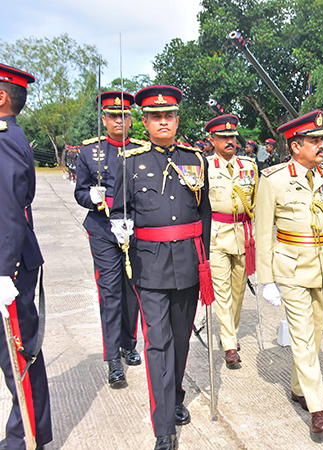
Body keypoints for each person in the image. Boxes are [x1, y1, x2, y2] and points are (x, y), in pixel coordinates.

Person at [111, 85, 211, 450]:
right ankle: (163, 427)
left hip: (187, 262)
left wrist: (205, 259)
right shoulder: (128, 161)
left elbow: (204, 215)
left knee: (181, 341)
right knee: (158, 344)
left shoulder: (194, 159)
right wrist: (119, 227)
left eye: (168, 115)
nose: (163, 121)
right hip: (149, 266)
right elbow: (120, 210)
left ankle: (176, 395)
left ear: (177, 119)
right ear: (146, 121)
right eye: (155, 116)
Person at [256, 110, 323, 435]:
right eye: (314, 140)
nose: (321, 145)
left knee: (315, 336)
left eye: (322, 140)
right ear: (295, 146)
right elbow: (263, 231)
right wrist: (266, 279)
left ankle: (297, 387)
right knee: (304, 338)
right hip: (290, 269)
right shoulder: (274, 179)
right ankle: (317, 407)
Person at [0, 63, 53, 450]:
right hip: (9, 260)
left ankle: (25, 440)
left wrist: (3, 271)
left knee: (18, 357)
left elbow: (9, 211)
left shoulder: (4, 140)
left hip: (9, 265)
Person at [74, 91, 143, 388]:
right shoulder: (90, 152)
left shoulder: (141, 150)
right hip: (103, 229)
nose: (119, 121)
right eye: (113, 116)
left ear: (131, 119)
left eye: (125, 115)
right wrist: (91, 197)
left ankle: (129, 343)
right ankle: (113, 356)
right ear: (104, 119)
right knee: (111, 291)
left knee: (132, 291)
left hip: (134, 227)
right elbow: (79, 192)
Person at [205, 114, 257, 368]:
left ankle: (231, 332)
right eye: (223, 137)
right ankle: (228, 345)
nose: (229, 141)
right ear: (212, 140)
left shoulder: (249, 166)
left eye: (232, 137)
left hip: (243, 234)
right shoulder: (204, 167)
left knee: (238, 291)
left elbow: (257, 203)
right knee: (222, 292)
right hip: (217, 234)